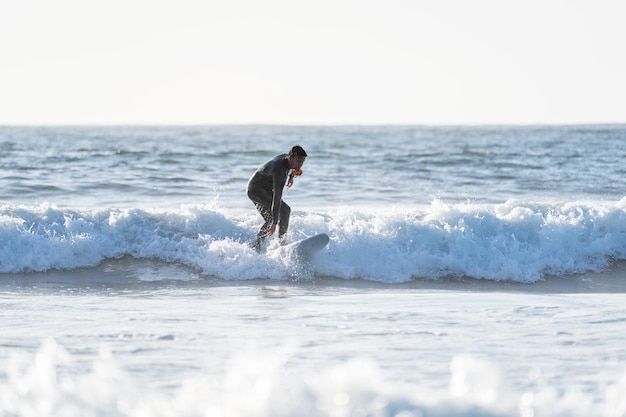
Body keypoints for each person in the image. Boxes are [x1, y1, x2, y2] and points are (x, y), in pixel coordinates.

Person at [247, 145, 307, 251]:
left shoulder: (287, 158)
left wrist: (292, 176)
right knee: (284, 210)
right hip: (256, 190)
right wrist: (275, 223)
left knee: (270, 218)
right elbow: (277, 198)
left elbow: (292, 167)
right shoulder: (280, 172)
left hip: (262, 188)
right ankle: (281, 243)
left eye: (302, 162)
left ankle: (256, 246)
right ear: (290, 157)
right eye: (298, 162)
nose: (300, 165)